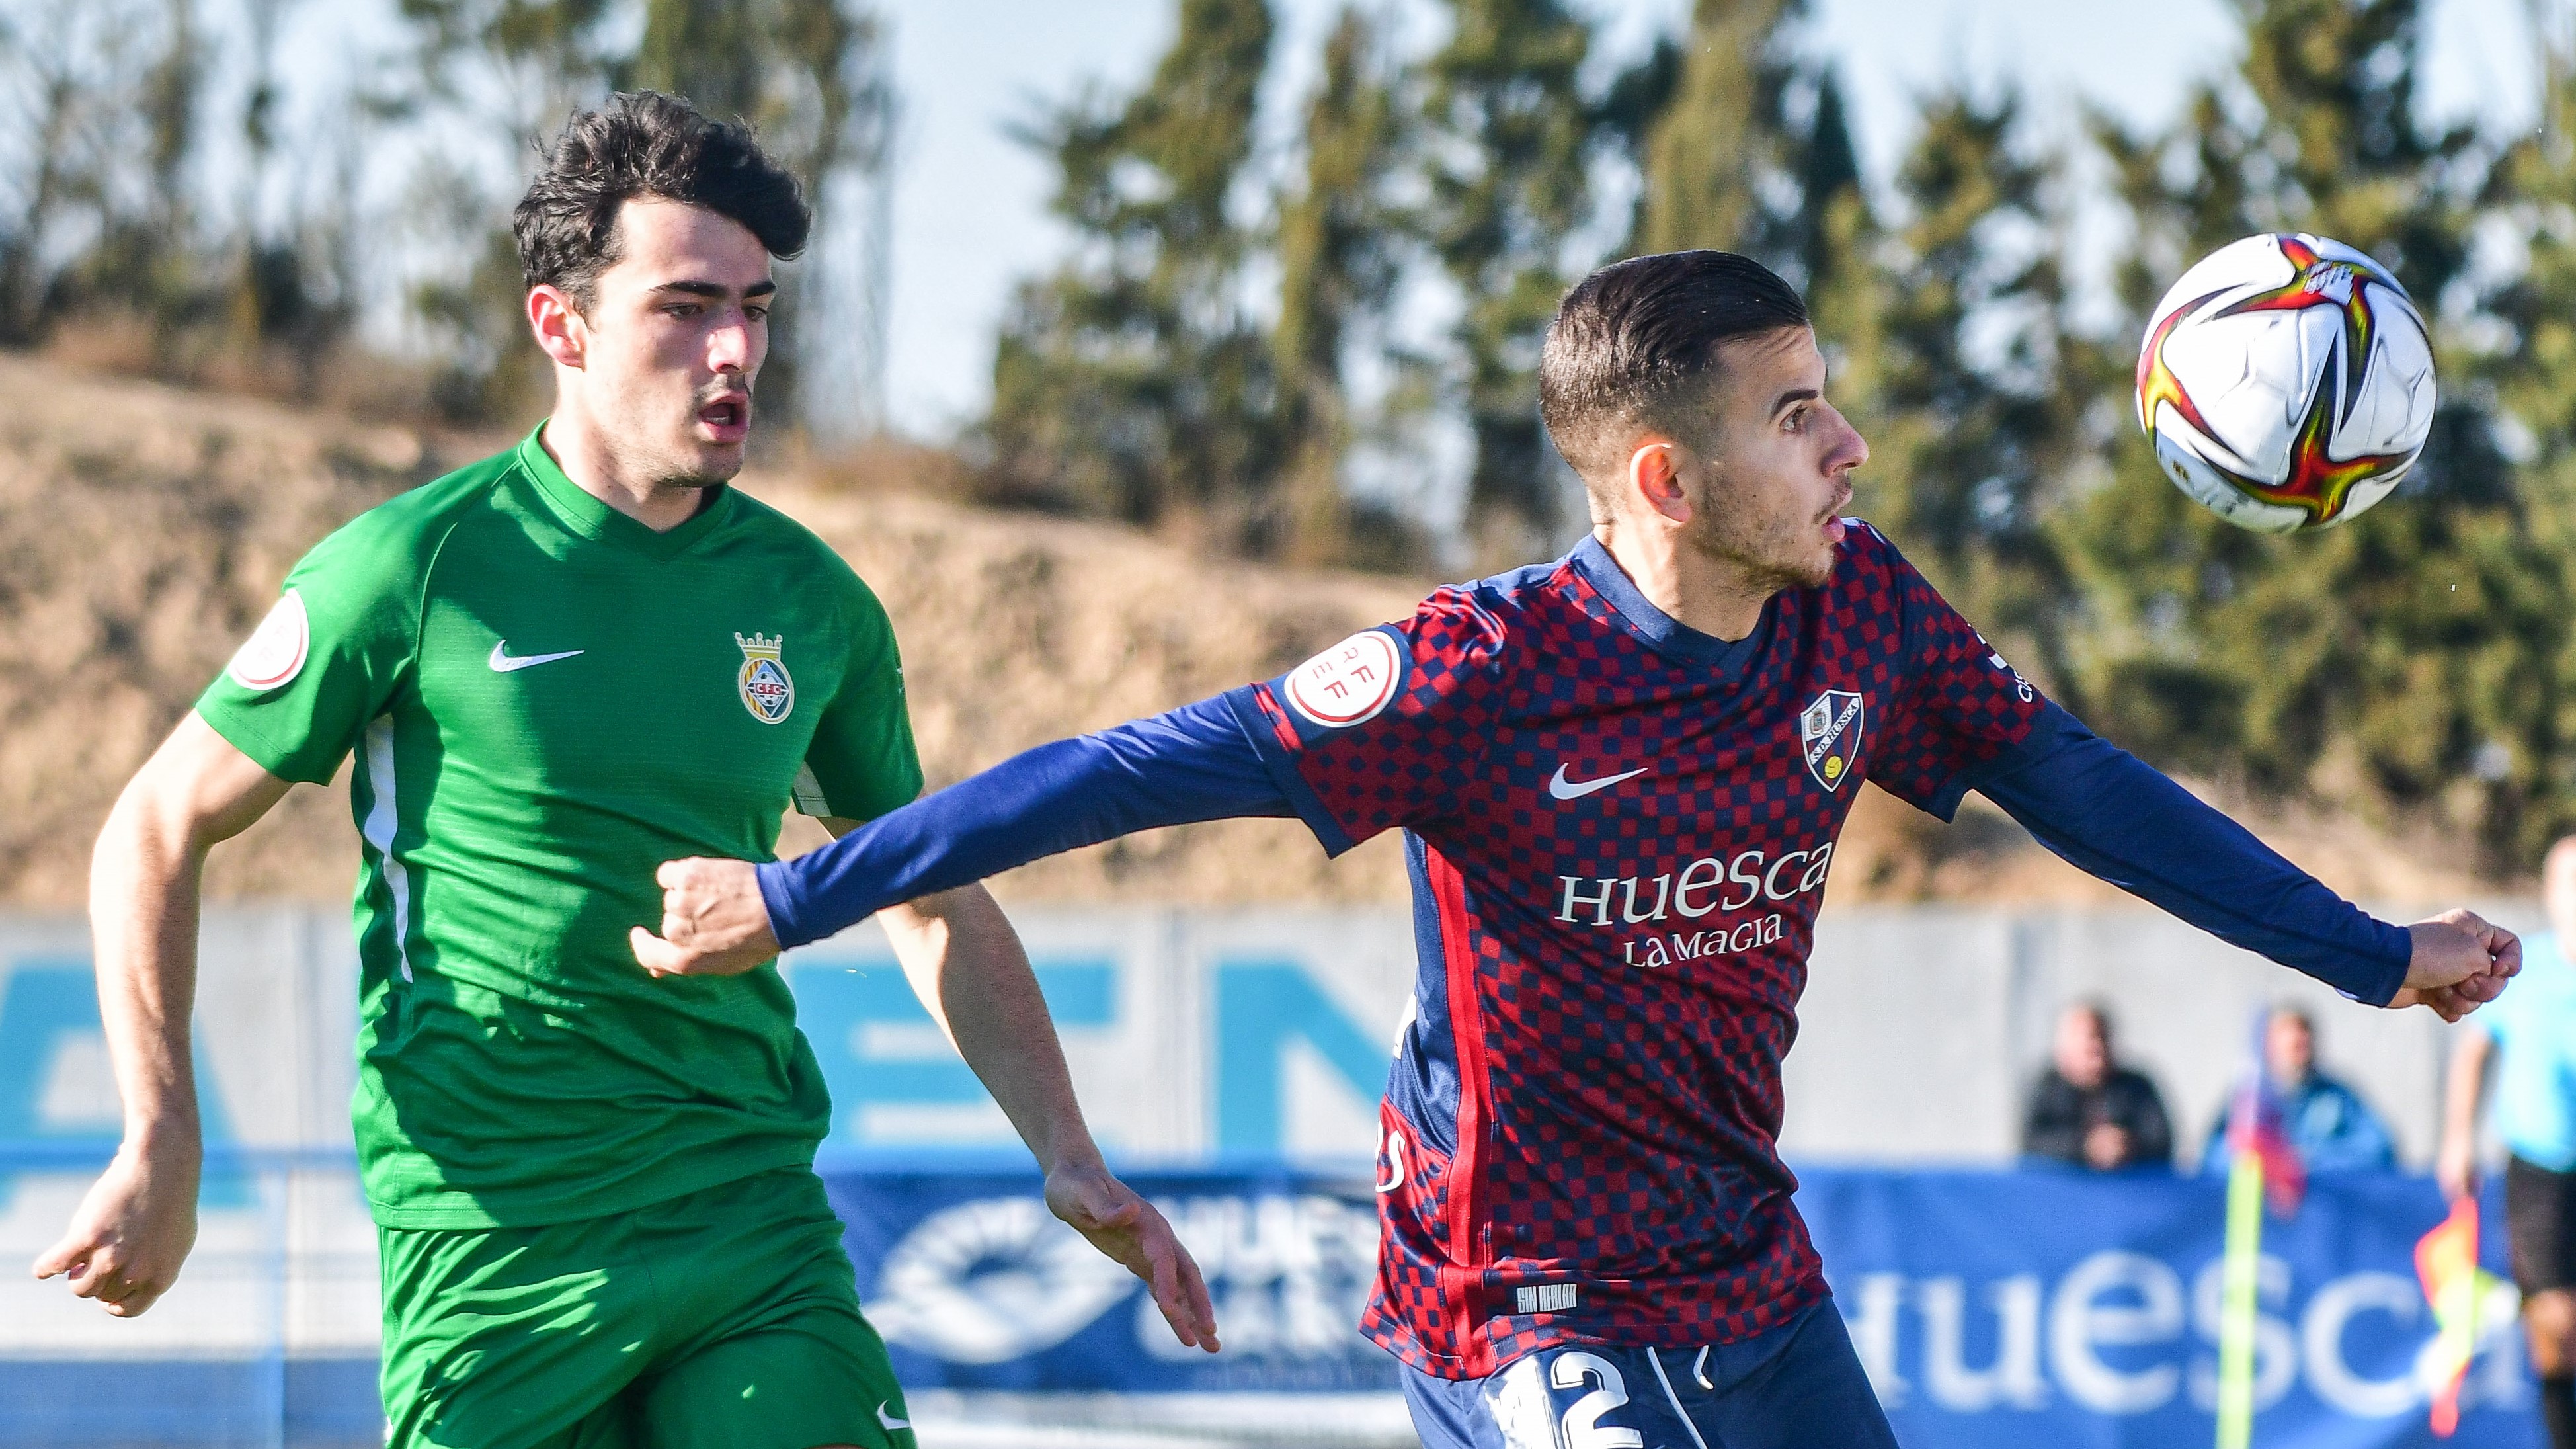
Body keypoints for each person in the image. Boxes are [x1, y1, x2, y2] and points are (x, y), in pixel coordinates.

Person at [634, 249, 2516, 1448]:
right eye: (1803, 415)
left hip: (1746, 1257)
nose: (1851, 447)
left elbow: (2089, 787)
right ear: (1666, 482)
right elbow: (1111, 774)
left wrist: (2370, 947)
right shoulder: (1472, 675)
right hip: (1513, 1286)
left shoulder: (1861, 614)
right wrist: (792, 893)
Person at [30, 92, 1215, 1449]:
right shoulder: (413, 569)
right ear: (562, 324)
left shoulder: (812, 602)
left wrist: (1066, 1151)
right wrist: (161, 1132)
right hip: (493, 1245)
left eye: (758, 309)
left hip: (748, 1222)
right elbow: (154, 824)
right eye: (686, 307)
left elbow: (926, 893)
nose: (736, 351)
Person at [2440, 836, 2576, 1448]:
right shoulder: (2525, 969)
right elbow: (2475, 1051)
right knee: (2558, 1324)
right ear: (2550, 893)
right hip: (2540, 1171)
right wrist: (2457, 1138)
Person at [2201, 1004, 2394, 1173]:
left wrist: (2305, 1162)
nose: (2300, 1041)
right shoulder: (2248, 1100)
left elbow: (2379, 1149)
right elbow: (2211, 1159)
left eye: (2304, 1034)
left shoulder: (2336, 1097)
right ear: (2268, 1045)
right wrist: (2262, 1160)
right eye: (2288, 1036)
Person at [2023, 1002, 2174, 1170]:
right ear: (2065, 1052)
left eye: (2102, 1043)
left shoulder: (2136, 1088)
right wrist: (2086, 1147)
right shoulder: (2049, 1089)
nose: (2098, 1057)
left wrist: (2126, 1145)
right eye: (2089, 1050)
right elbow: (2032, 1143)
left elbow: (2161, 1140)